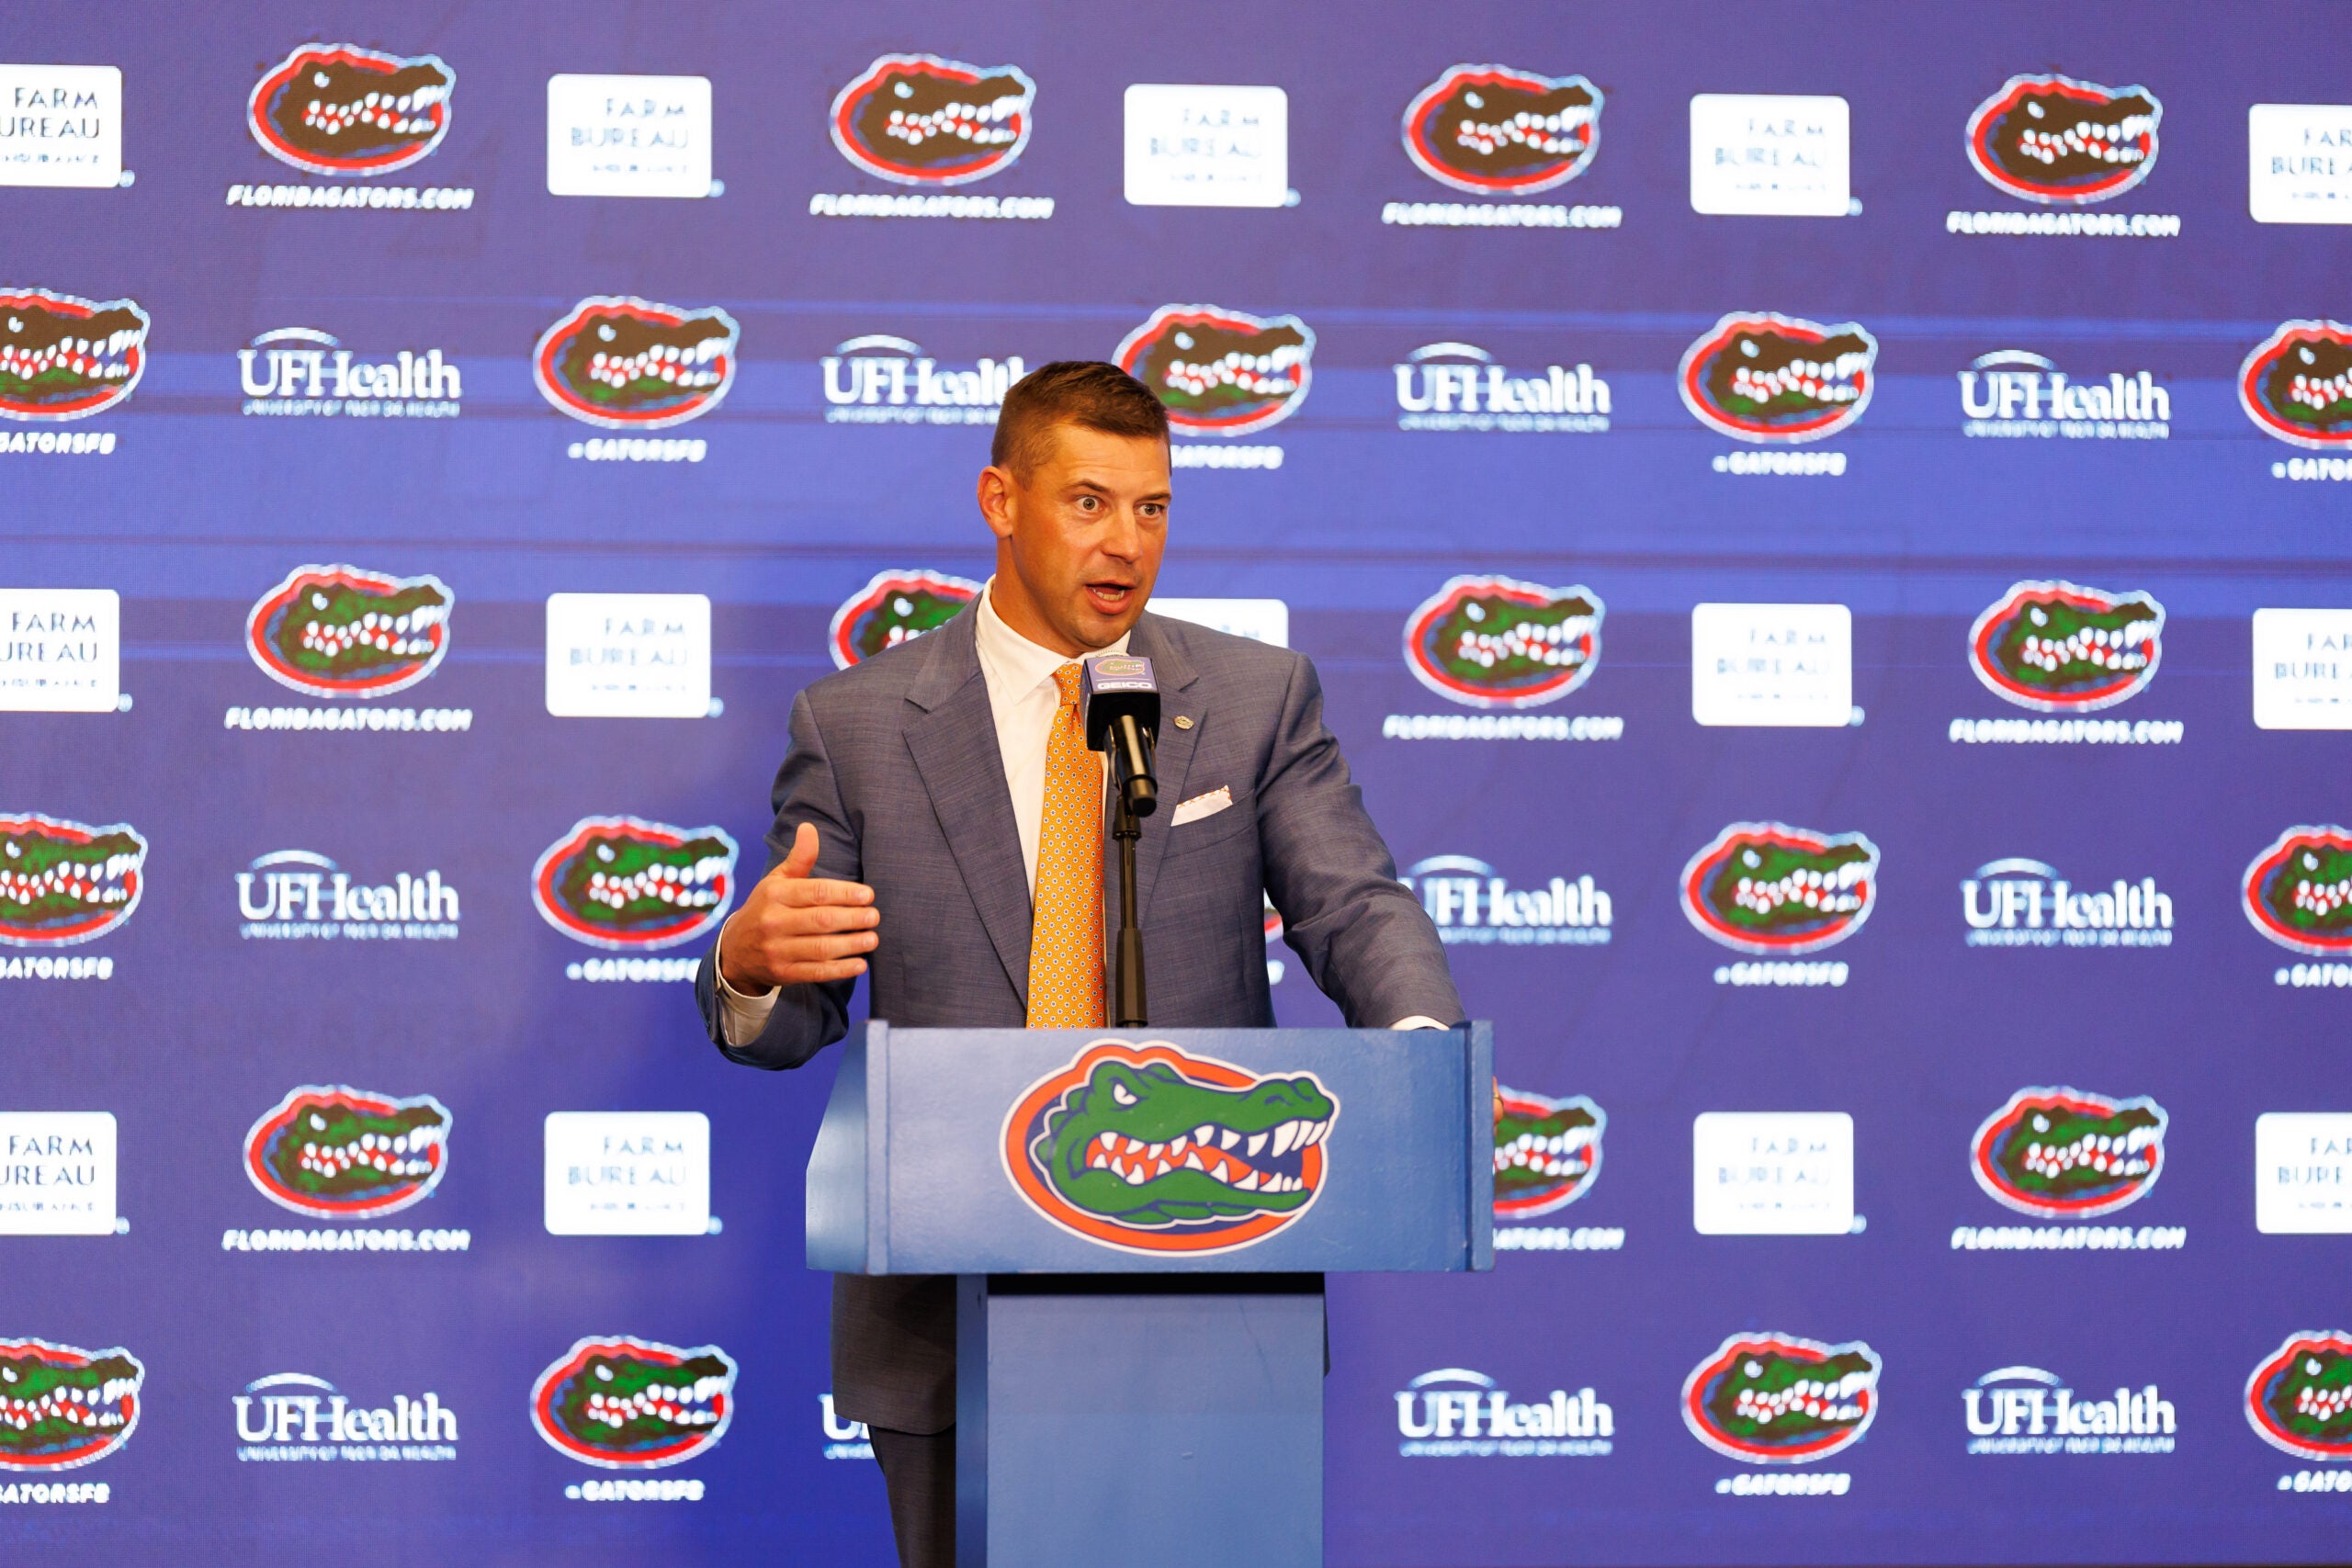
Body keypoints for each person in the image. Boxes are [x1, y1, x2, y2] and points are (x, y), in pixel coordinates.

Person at [695, 359, 1463, 1567]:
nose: (1127, 543)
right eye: (1089, 502)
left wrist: (1421, 1062)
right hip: (949, 1320)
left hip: (1206, 1309)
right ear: (1001, 500)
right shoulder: (853, 725)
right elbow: (797, 1016)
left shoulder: (1253, 700)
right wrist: (748, 964)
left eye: (1152, 507)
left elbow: (1355, 906)